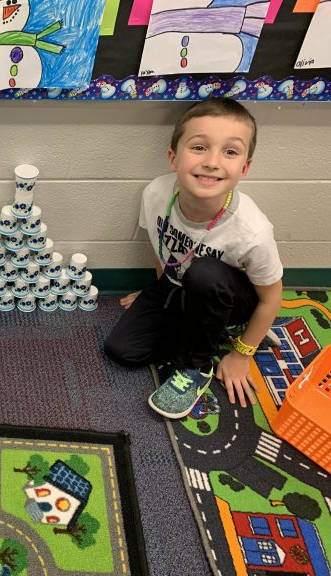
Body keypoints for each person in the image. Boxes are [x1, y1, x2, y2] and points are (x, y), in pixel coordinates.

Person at [104, 98, 283, 419]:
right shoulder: (156, 194)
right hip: (179, 284)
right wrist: (158, 291)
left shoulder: (252, 231)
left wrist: (242, 355)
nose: (212, 162)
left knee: (205, 274)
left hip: (232, 296)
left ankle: (197, 365)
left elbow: (271, 298)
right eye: (199, 147)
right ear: (173, 158)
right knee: (122, 351)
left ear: (244, 168)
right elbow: (161, 247)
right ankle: (209, 330)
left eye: (230, 152)